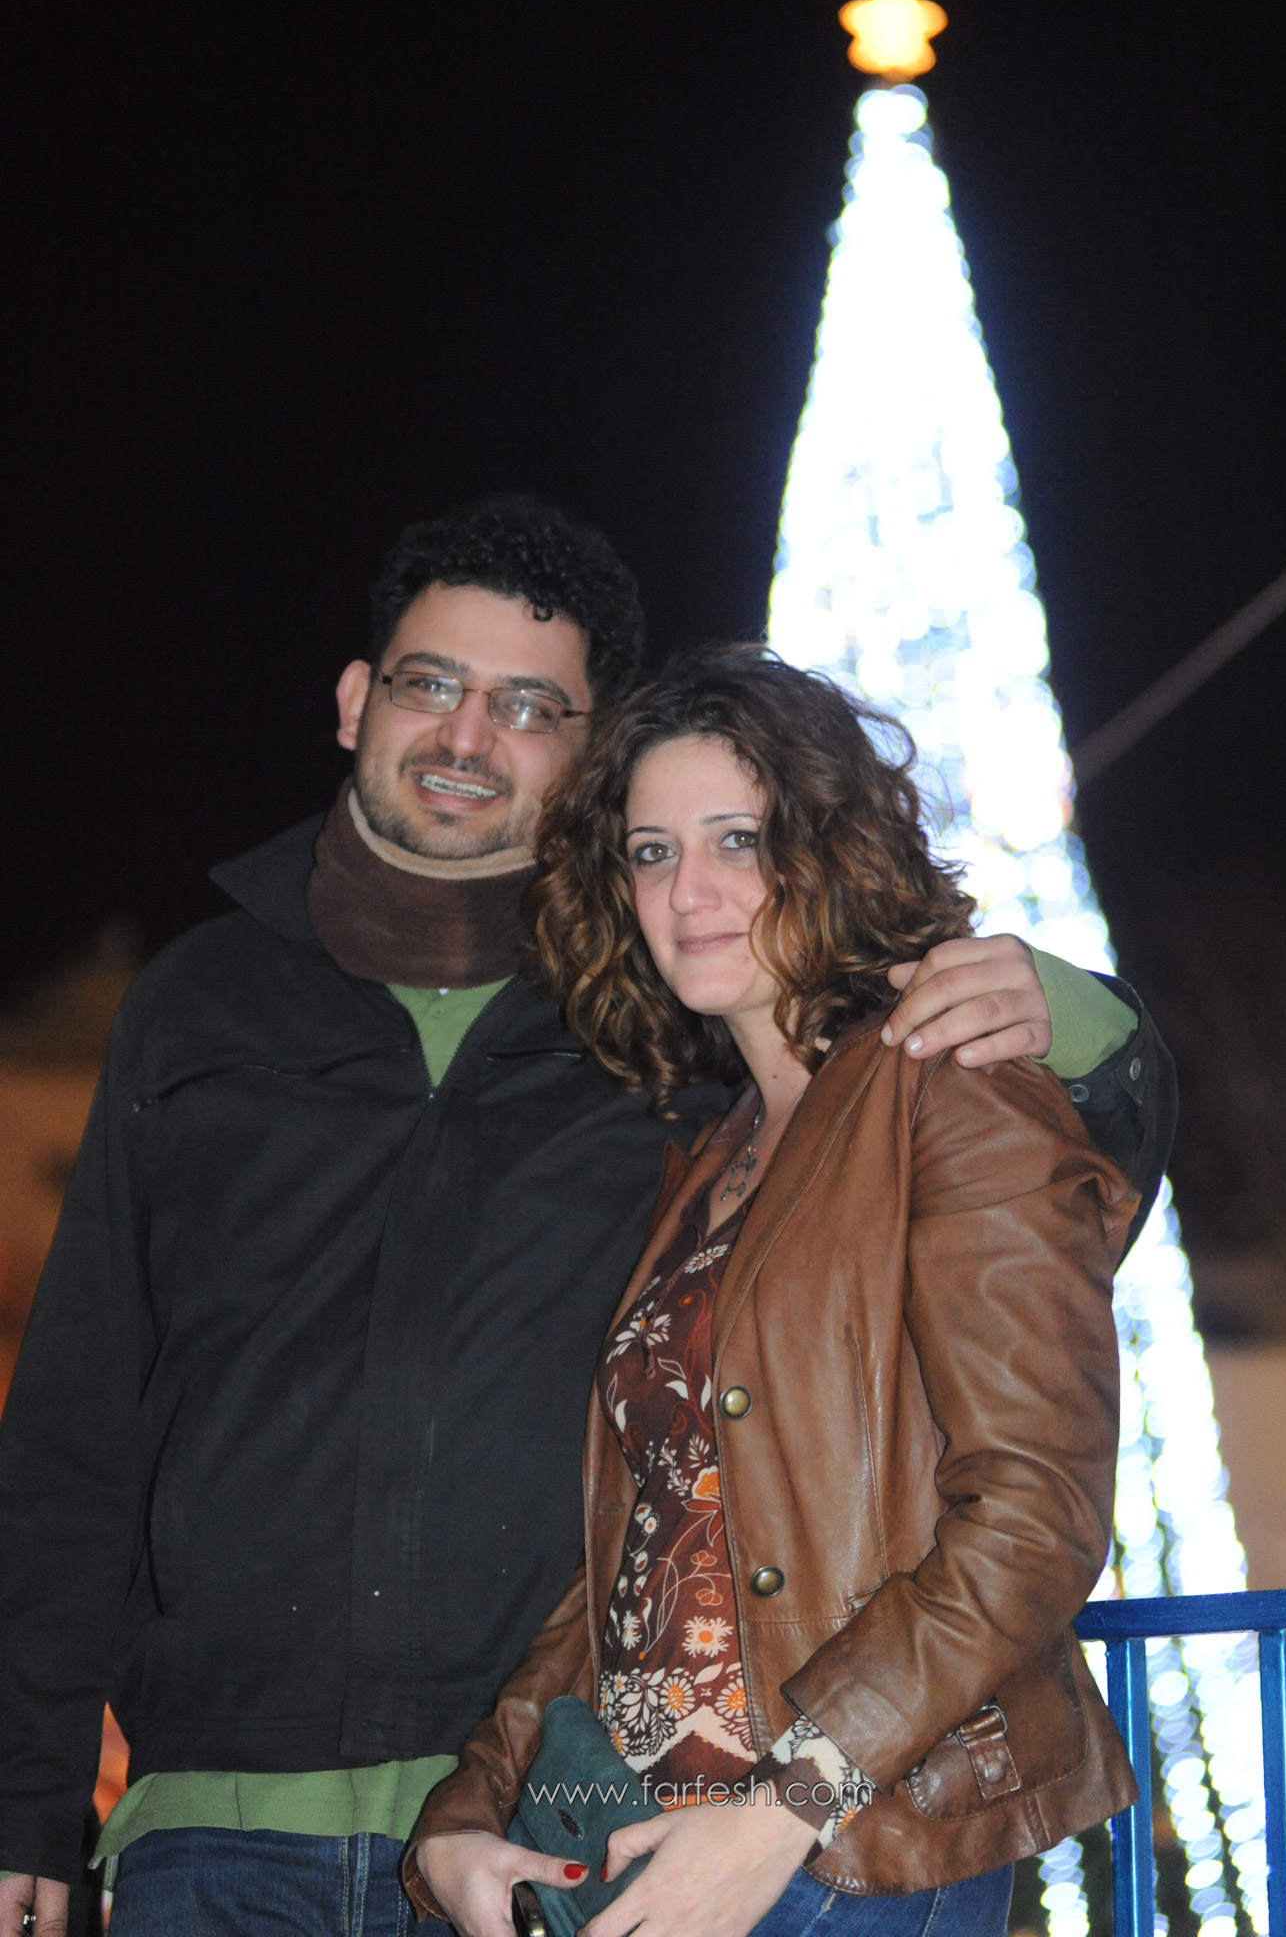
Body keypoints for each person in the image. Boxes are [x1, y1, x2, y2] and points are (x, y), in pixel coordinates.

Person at [0, 500, 1172, 1937]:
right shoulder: (210, 1010)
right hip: (314, 1828)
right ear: (357, 699)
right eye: (431, 682)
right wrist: (33, 1792)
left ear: (581, 755)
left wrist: (1071, 1010)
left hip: (724, 1841)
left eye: (527, 706)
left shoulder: (684, 1057)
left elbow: (1040, 1366)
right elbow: (77, 1427)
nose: (467, 735)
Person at [405, 645, 1140, 1937]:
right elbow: (639, 1544)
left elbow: (1039, 1514)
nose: (686, 892)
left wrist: (787, 1805)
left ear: (830, 849)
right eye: (651, 852)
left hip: (851, 1847)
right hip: (659, 1841)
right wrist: (468, 1812)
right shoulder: (713, 1156)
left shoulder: (954, 1090)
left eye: (736, 841)